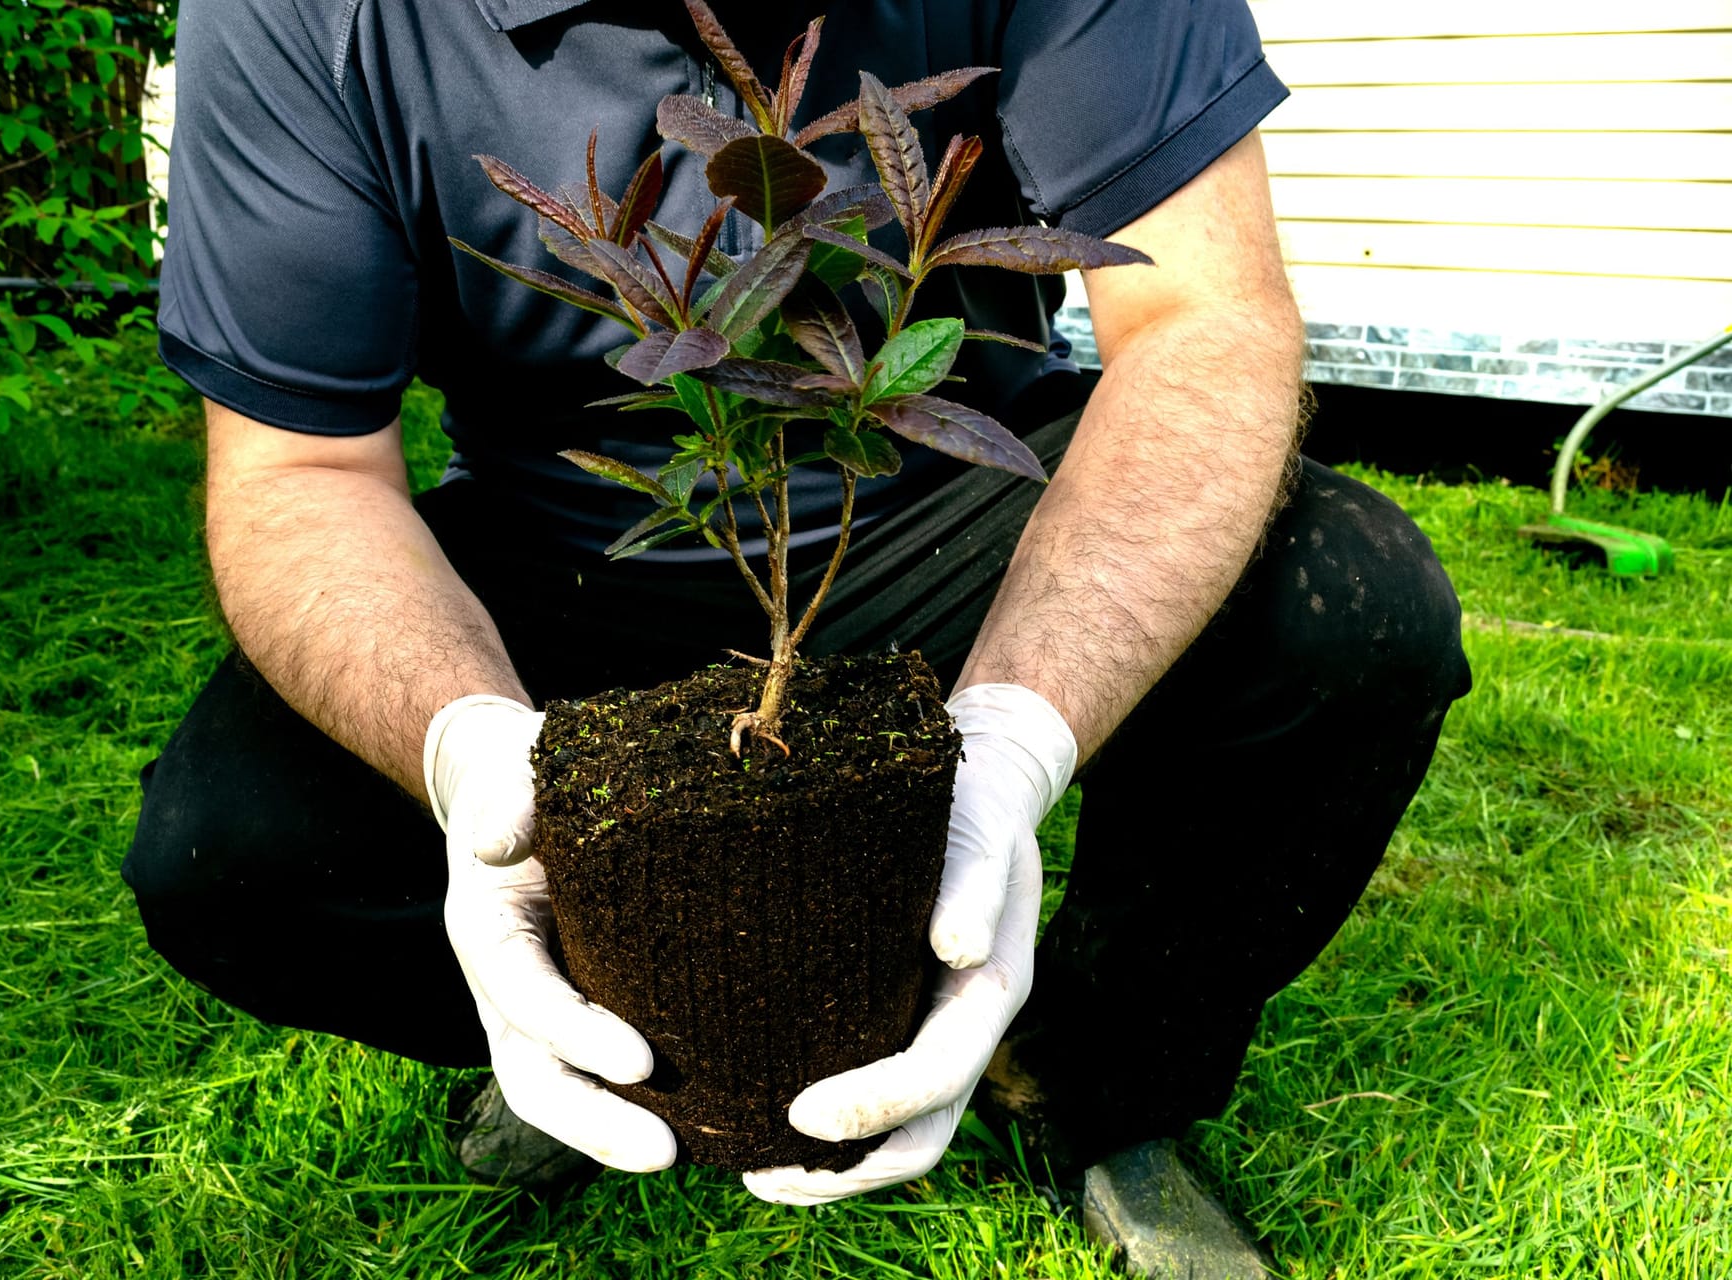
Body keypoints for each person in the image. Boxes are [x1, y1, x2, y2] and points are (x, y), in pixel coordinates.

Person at [123, 1, 1472, 1273]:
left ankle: (1088, 1078)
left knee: (1345, 614)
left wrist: (1022, 731)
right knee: (230, 851)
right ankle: (610, 1023)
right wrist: (469, 750)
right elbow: (302, 477)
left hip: (962, 510)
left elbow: (1202, 320)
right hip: (577, 550)